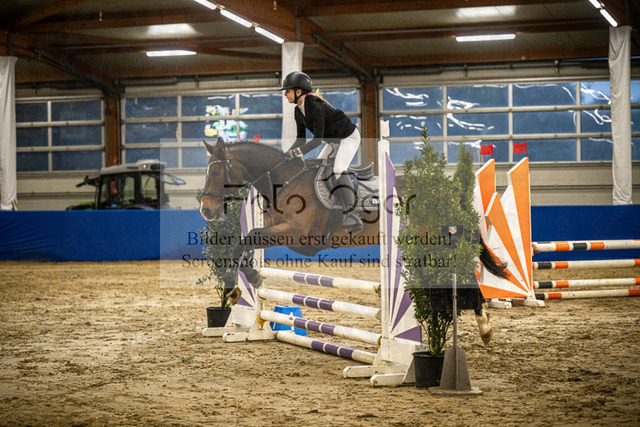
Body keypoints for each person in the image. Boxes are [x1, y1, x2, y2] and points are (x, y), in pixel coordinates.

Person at [281, 71, 363, 234]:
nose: (285, 94)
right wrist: (286, 155)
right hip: (333, 141)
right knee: (317, 169)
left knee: (338, 169)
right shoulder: (298, 111)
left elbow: (317, 140)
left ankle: (352, 213)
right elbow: (300, 140)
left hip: (349, 137)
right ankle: (328, 206)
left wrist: (296, 152)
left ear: (298, 91)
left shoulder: (316, 106)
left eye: (287, 91)